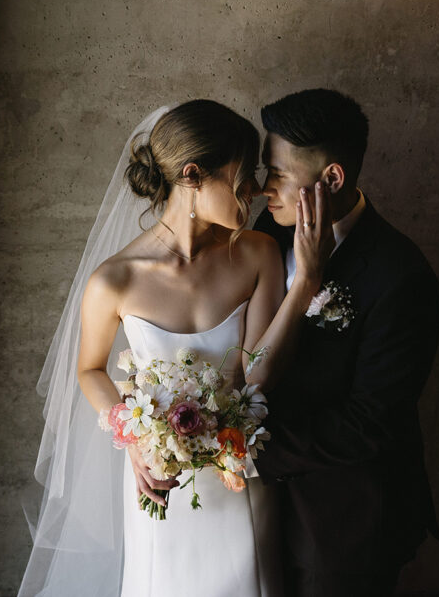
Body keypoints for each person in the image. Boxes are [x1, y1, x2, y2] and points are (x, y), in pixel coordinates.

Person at [19, 100, 335, 597]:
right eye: (242, 177)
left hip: (239, 472)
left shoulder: (257, 251)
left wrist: (307, 282)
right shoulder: (114, 280)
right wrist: (134, 439)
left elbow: (256, 375)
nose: (254, 192)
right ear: (192, 175)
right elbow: (90, 370)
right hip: (160, 479)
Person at [252, 88, 439, 596]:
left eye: (278, 174)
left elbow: (370, 421)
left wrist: (249, 451)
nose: (262, 188)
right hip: (255, 509)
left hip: (345, 522)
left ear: (331, 178)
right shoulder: (266, 231)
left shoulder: (401, 276)